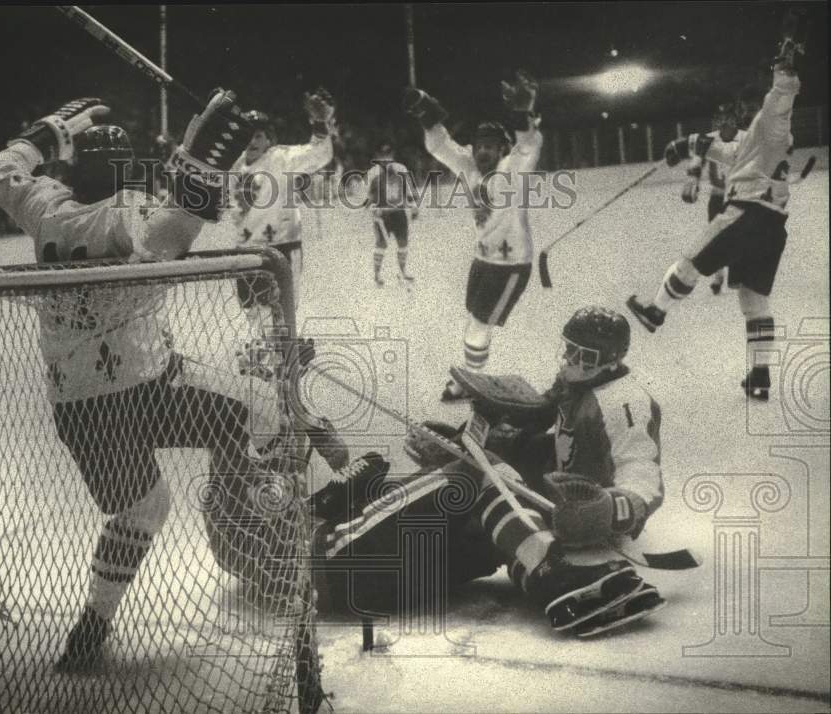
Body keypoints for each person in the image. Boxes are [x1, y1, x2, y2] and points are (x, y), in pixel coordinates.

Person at [0, 92, 343, 671]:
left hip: (77, 405)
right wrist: (198, 169)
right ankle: (276, 542)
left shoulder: (45, 208)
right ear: (126, 169)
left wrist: (47, 133)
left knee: (144, 511)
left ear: (72, 168)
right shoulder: (132, 213)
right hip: (149, 389)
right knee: (261, 409)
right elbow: (174, 230)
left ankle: (94, 622)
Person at [308, 308, 666, 637]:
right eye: (569, 349)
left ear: (611, 359)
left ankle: (563, 586)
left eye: (582, 354)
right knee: (481, 477)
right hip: (341, 561)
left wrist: (610, 508)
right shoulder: (582, 387)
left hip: (377, 578)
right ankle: (551, 574)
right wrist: (465, 453)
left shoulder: (623, 400)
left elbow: (641, 472)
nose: (569, 359)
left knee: (489, 520)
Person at [627, 21, 804, 401]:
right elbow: (731, 152)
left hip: (747, 213)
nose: (744, 112)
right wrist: (685, 145)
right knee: (753, 299)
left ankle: (656, 311)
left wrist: (785, 69)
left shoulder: (771, 120)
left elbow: (780, 97)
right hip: (772, 226)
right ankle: (760, 373)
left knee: (690, 261)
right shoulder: (760, 137)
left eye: (749, 107)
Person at [403, 70, 544, 402]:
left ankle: (471, 382)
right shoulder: (469, 168)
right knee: (476, 321)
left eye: (491, 147)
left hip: (511, 264)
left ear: (503, 150)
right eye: (479, 146)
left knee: (479, 324)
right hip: (483, 258)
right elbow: (441, 146)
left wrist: (522, 113)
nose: (482, 152)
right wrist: (426, 111)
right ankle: (473, 374)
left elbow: (529, 146)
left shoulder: (512, 170)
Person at [230, 89, 335, 330]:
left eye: (258, 136)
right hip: (246, 248)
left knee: (282, 312)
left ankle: (283, 350)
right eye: (247, 135)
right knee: (253, 311)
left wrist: (320, 124)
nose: (252, 141)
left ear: (269, 140)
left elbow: (318, 154)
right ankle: (267, 348)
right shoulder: (235, 166)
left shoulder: (280, 158)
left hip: (281, 246)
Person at [679, 103, 745, 295]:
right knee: (715, 238)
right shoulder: (707, 139)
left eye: (728, 118)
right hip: (717, 197)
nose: (723, 122)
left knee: (738, 236)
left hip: (738, 197)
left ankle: (737, 274)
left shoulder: (745, 138)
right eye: (720, 118)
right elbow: (697, 160)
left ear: (734, 120)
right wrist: (693, 176)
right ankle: (718, 277)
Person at [365, 141, 418, 286]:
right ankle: (377, 275)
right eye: (382, 156)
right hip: (383, 215)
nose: (385, 159)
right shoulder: (373, 173)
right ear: (377, 157)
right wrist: (373, 208)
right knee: (381, 244)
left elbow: (408, 190)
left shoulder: (401, 169)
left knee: (403, 242)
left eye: (388, 155)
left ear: (392, 155)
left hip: (399, 213)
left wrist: (413, 207)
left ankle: (402, 273)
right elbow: (368, 197)